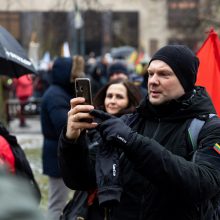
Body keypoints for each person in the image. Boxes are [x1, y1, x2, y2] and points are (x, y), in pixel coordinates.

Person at [58, 45, 220, 220]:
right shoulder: (129, 122)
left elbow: (203, 185)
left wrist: (132, 142)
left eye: (164, 74)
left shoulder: (208, 127)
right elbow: (81, 180)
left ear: (186, 80)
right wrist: (72, 140)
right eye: (150, 73)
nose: (153, 81)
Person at [58, 79, 142, 219]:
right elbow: (77, 175)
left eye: (119, 97)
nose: (112, 101)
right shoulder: (91, 126)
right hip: (91, 206)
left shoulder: (136, 129)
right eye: (109, 96)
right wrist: (71, 139)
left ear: (130, 100)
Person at [40, 57, 75, 220]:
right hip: (57, 155)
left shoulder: (58, 92)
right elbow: (63, 126)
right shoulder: (56, 96)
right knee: (57, 204)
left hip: (57, 153)